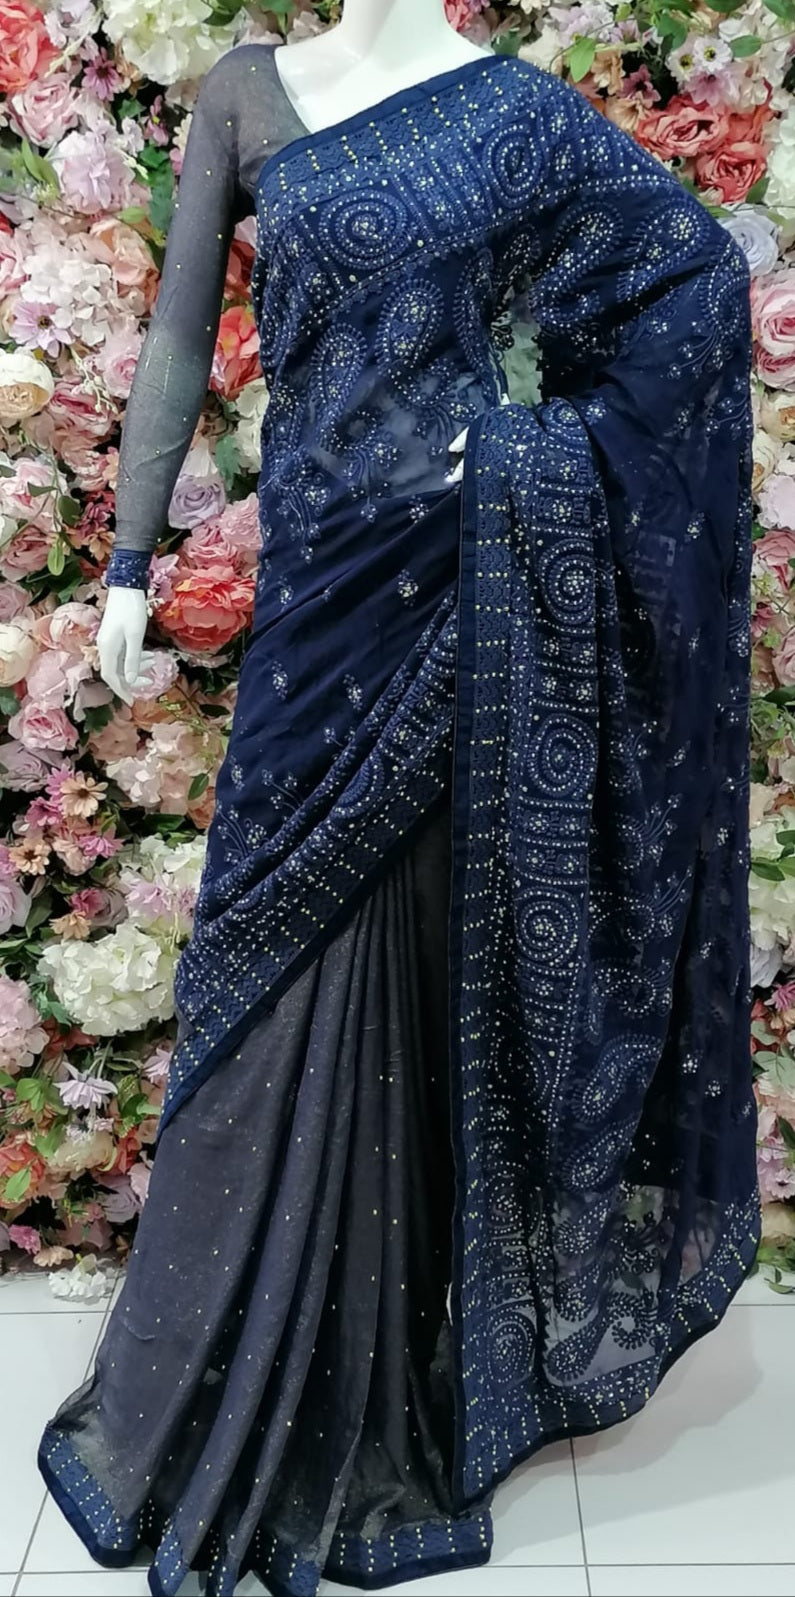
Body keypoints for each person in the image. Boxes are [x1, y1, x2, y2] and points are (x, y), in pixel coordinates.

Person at [37, 24, 761, 1597]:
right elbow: (180, 335)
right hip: (317, 588)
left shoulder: (514, 113)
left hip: (452, 587)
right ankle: (210, 1368)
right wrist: (129, 563)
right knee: (256, 959)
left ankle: (370, 1372)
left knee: (406, 961)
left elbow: (691, 280)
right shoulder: (244, 93)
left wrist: (519, 455)